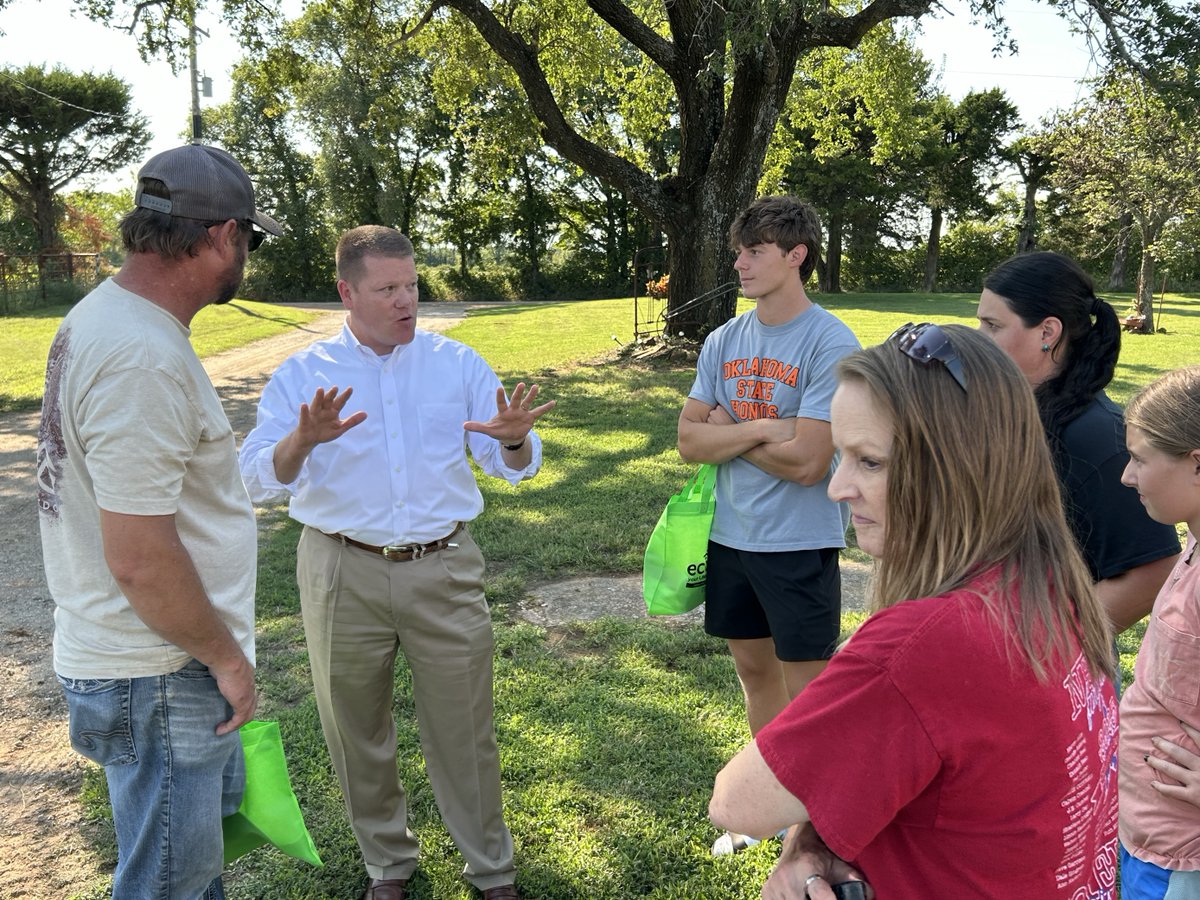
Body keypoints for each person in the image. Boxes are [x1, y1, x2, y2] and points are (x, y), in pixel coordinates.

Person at [709, 324, 1119, 899]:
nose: (838, 487)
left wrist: (804, 837)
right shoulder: (1048, 580)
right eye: (841, 457)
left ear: (956, 468)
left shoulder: (924, 645)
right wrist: (812, 840)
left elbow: (737, 802)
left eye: (870, 462)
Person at [239, 225, 550, 900]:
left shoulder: (456, 364)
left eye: (411, 285)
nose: (406, 301)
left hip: (443, 567)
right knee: (355, 729)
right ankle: (388, 863)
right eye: (387, 289)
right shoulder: (303, 376)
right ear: (347, 292)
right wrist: (301, 440)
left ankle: (492, 870)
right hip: (339, 571)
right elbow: (258, 478)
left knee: (464, 729)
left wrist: (518, 442)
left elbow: (510, 465)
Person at [35, 144, 280, 899]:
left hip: (144, 664)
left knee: (188, 871)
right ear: (219, 235)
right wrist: (228, 661)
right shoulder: (140, 354)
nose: (248, 255)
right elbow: (140, 555)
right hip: (160, 671)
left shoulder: (109, 319)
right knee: (167, 883)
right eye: (251, 239)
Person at [676, 196, 859, 854]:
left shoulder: (829, 341)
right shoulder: (724, 339)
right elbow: (687, 441)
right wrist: (760, 428)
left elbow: (811, 461)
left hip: (798, 543)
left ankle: (816, 829)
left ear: (795, 256)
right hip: (730, 539)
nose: (740, 262)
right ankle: (778, 806)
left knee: (809, 694)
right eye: (739, 250)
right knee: (755, 676)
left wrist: (727, 429)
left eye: (754, 250)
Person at [977, 251, 1180, 631]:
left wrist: (1049, 647)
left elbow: (1151, 569)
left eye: (992, 325)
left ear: (1047, 333)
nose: (979, 339)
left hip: (1044, 670)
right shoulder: (1014, 413)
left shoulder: (1097, 433)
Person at [1115, 365, 1200, 899]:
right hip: (1148, 836)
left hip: (1180, 857)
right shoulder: (1193, 537)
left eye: (1141, 459)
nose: (1127, 476)